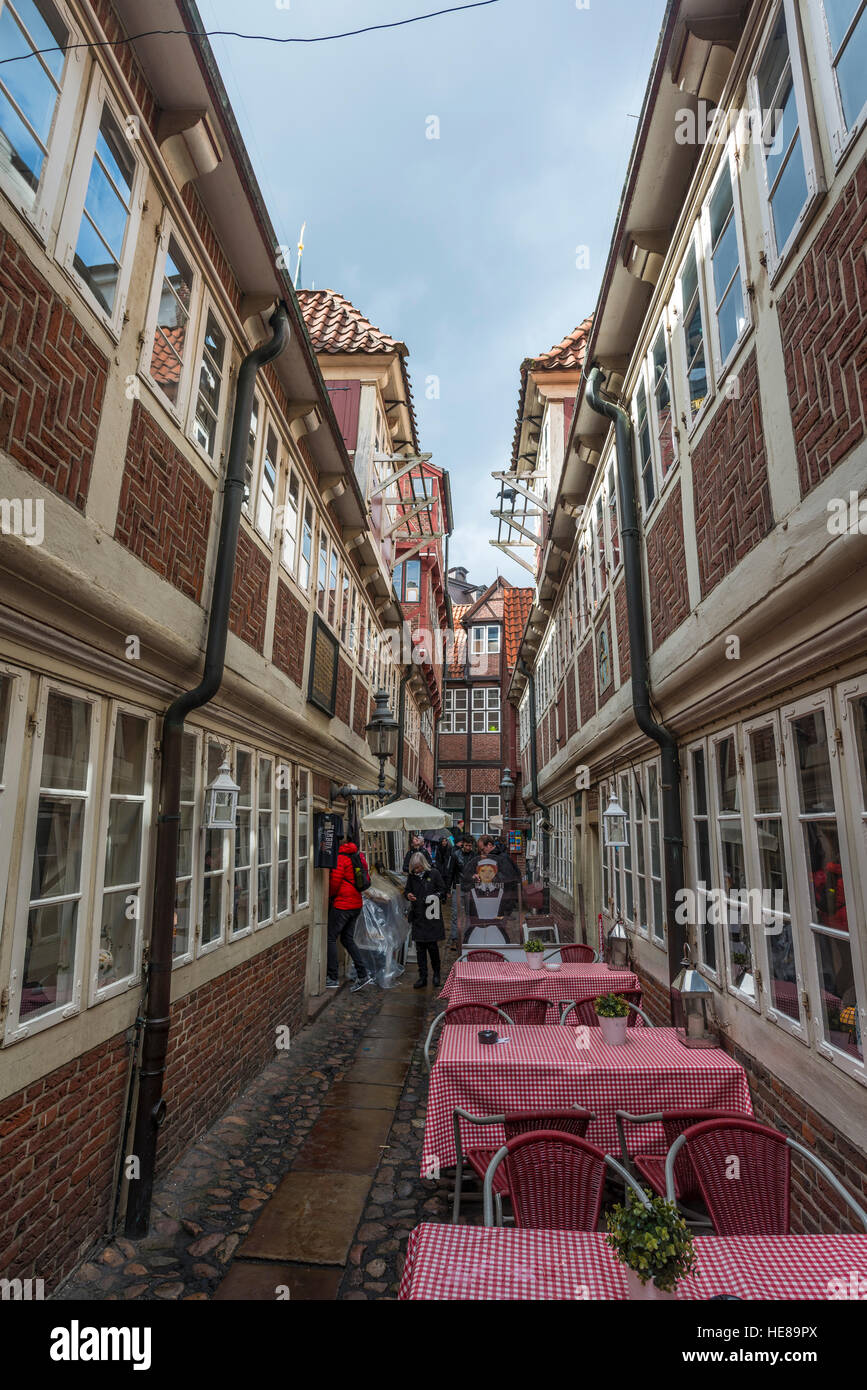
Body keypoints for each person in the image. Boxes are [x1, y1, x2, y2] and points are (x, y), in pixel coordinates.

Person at [326, 837, 374, 991]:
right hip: (356, 903)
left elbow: (335, 881)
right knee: (347, 940)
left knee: (330, 937)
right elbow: (366, 876)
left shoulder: (341, 857)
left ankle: (332, 977)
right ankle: (362, 974)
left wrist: (330, 896)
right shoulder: (359, 856)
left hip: (343, 904)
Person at [404, 851, 447, 989]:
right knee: (420, 949)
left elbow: (442, 890)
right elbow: (407, 891)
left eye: (418, 867)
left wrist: (434, 897)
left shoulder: (434, 873)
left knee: (432, 947)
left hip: (431, 916)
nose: (416, 870)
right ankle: (422, 976)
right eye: (414, 868)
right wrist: (408, 895)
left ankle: (436, 974)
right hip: (418, 915)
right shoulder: (412, 877)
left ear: (423, 864)